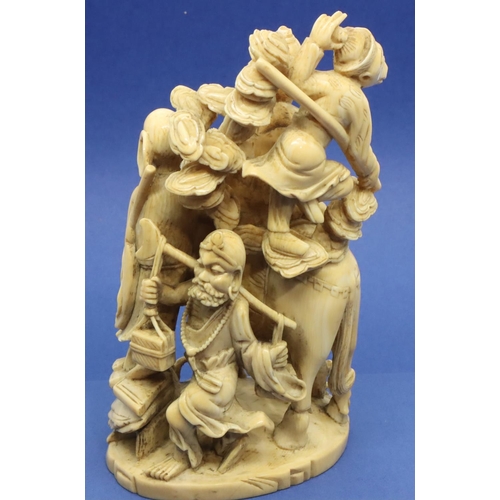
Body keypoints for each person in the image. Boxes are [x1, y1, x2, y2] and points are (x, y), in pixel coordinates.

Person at [141, 229, 303, 481]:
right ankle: (225, 440)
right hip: (199, 375)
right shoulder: (195, 291)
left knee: (175, 414)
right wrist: (157, 292)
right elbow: (171, 295)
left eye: (215, 271)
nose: (203, 276)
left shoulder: (237, 309)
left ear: (235, 278)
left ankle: (190, 456)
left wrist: (268, 357)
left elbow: (247, 349)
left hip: (220, 379)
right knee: (180, 409)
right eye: (201, 265)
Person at [242, 12, 388, 277]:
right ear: (366, 75)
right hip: (308, 151)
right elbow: (358, 151)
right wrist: (369, 176)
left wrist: (314, 45)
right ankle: (300, 207)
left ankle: (280, 228)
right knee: (344, 181)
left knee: (285, 184)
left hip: (289, 141)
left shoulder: (327, 80)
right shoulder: (356, 101)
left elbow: (297, 81)